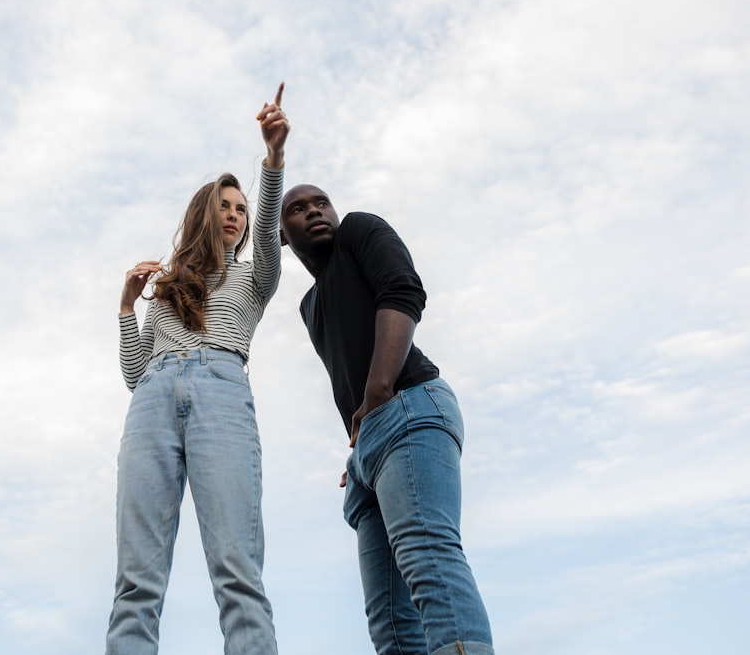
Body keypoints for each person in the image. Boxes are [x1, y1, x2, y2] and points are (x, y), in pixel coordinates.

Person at [106, 84, 289, 655]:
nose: (235, 216)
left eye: (241, 208)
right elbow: (135, 373)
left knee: (236, 568)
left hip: (221, 395)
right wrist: (125, 308)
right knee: (137, 578)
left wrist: (273, 160)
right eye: (225, 207)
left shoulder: (254, 278)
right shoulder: (168, 288)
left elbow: (265, 232)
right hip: (153, 399)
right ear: (204, 213)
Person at [279, 185, 494, 655]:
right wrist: (359, 443)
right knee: (390, 622)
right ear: (280, 234)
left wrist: (377, 394)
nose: (315, 210)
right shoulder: (309, 306)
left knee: (428, 558)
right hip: (369, 450)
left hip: (410, 407)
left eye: (321, 202)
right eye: (298, 209)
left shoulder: (359, 228)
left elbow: (402, 289)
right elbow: (345, 371)